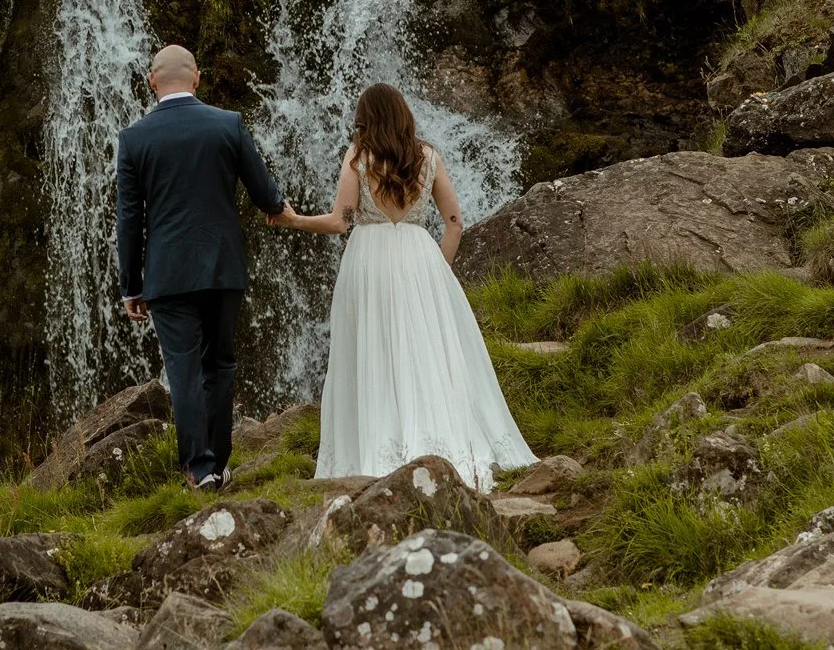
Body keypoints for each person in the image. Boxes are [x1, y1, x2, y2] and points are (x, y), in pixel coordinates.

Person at [270, 81, 534, 488]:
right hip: (419, 257)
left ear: (366, 120)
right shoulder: (427, 156)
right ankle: (442, 445)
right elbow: (454, 222)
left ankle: (376, 445)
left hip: (369, 260)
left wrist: (294, 220)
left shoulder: (358, 157)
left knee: (371, 347)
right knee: (427, 351)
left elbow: (340, 220)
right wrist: (438, 270)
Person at [117, 44, 292, 489]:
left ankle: (198, 470)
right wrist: (285, 210)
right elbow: (266, 194)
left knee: (184, 370)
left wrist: (130, 286)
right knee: (221, 364)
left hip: (168, 275)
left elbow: (129, 220)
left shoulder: (134, 138)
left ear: (152, 81)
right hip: (222, 267)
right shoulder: (227, 124)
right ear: (197, 78)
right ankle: (218, 463)